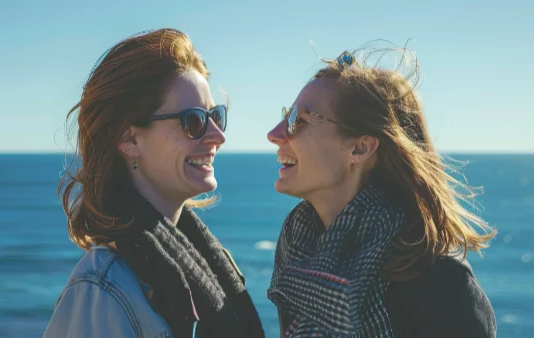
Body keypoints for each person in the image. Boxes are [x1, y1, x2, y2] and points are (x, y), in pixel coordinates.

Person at [44, 29, 264, 338]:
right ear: (129, 138)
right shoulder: (101, 292)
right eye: (194, 121)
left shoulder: (194, 264)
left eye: (216, 115)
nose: (218, 136)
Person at [266, 46, 497, 338]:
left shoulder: (439, 283)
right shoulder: (301, 260)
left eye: (298, 120)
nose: (274, 134)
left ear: (360, 148)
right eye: (287, 116)